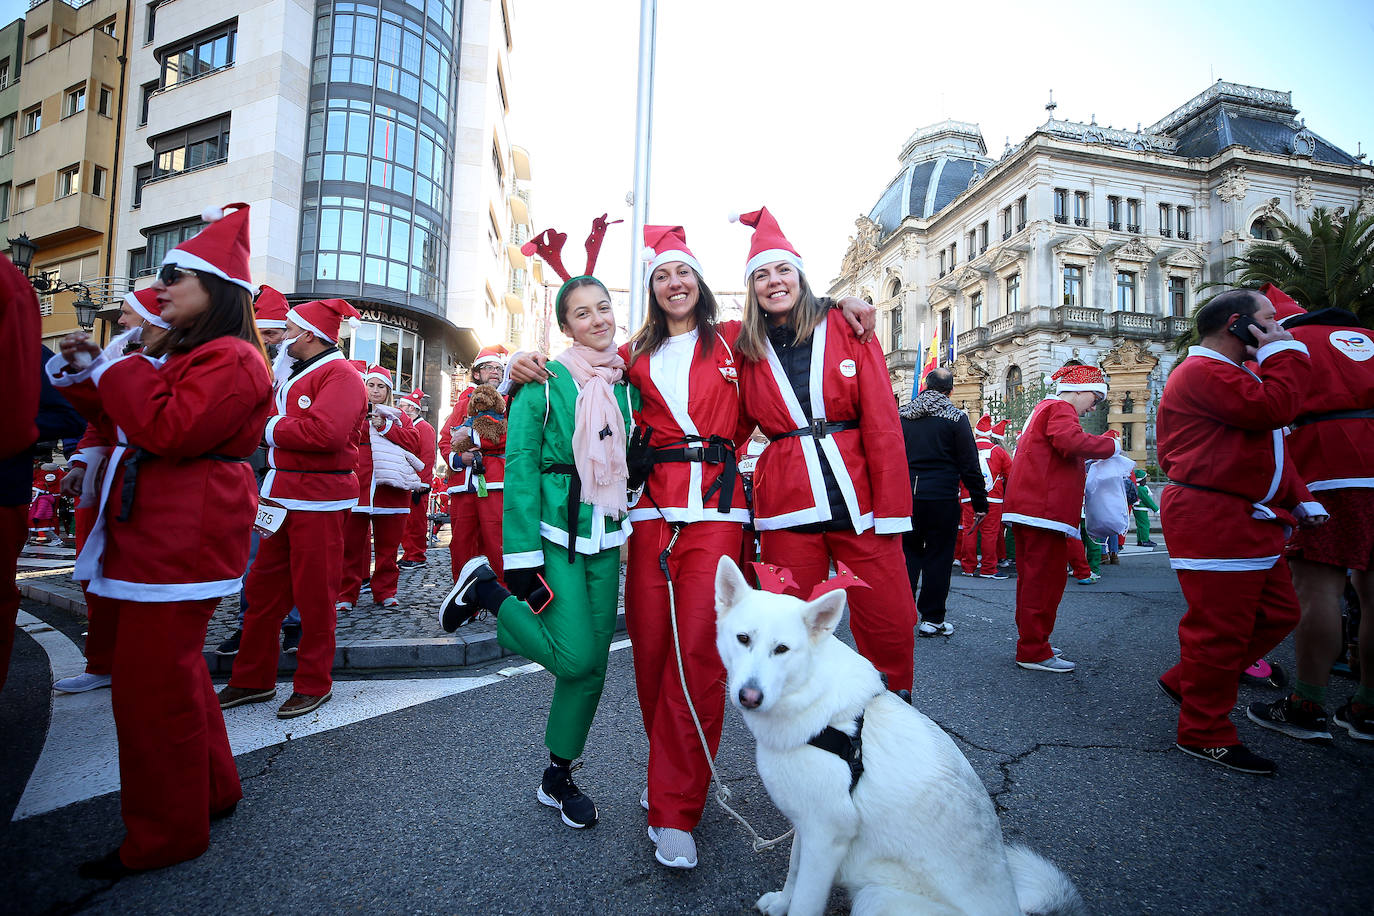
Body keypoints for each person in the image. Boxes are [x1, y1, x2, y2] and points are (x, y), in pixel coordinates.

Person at [49, 201, 272, 877]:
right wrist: (96, 369)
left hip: (181, 538)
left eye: (176, 273)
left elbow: (165, 429)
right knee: (174, 682)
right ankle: (209, 792)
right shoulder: (198, 352)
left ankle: (166, 834)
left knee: (151, 692)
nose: (160, 284)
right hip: (166, 534)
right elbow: (131, 416)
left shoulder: (230, 357)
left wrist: (117, 366)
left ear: (217, 290)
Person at [440, 218, 632, 831]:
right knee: (576, 659)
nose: (597, 320)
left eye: (604, 308)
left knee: (594, 665)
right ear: (564, 325)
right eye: (582, 313)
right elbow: (520, 464)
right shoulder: (540, 380)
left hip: (607, 534)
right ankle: (488, 593)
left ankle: (559, 774)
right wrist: (517, 557)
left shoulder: (627, 381)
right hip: (555, 537)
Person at [730, 206, 917, 695]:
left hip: (862, 501)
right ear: (751, 287)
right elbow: (720, 416)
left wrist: (893, 506)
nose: (774, 282)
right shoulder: (741, 346)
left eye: (783, 270)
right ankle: (806, 725)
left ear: (799, 275)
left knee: (890, 620)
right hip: (787, 504)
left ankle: (893, 714)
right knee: (788, 628)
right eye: (762, 275)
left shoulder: (845, 325)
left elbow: (882, 420)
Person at [1156, 288, 1326, 775]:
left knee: (1278, 612)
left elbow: (1267, 448)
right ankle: (1203, 732)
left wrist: (1300, 498)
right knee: (1220, 632)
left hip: (1245, 515)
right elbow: (1274, 410)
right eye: (1269, 321)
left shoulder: (1228, 372)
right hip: (1214, 515)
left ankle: (1188, 682)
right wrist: (1285, 353)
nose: (1280, 330)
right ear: (1238, 325)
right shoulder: (1203, 370)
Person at [219, 297, 367, 720]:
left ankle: (314, 684)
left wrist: (265, 429)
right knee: (263, 593)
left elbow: (326, 434)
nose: (282, 336)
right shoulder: (305, 371)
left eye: (289, 329)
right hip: (283, 495)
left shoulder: (341, 376)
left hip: (319, 501)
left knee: (315, 596)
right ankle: (252, 678)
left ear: (309, 335)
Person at [1244, 284, 1374, 743]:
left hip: (1329, 465)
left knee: (1318, 588)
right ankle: (1367, 707)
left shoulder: (1289, 341)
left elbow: (1264, 406)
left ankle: (1307, 703)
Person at [54, 288, 174, 693]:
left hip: (145, 485)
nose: (121, 322)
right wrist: (82, 462)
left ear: (152, 319)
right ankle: (101, 662)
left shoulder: (175, 363)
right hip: (105, 482)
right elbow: (100, 422)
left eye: (127, 314)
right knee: (95, 575)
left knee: (141, 580)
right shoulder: (124, 360)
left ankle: (140, 665)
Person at [1001, 364, 1120, 673]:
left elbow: (1063, 446)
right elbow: (1070, 444)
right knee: (1045, 583)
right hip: (1045, 510)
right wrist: (1111, 445)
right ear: (1078, 391)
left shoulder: (1045, 409)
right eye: (1094, 398)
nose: (1093, 406)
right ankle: (1033, 650)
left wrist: (1097, 443)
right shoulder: (1061, 408)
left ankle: (1033, 641)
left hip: (1031, 508)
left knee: (1033, 582)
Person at [217, 285, 301, 657]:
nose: (275, 342)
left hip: (289, 474)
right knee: (251, 557)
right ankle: (248, 625)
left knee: (293, 553)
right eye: (267, 334)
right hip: (248, 473)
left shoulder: (300, 369)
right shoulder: (233, 361)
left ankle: (296, 623)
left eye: (279, 334)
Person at [900, 369, 988, 637]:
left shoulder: (902, 415)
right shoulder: (956, 418)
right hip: (941, 495)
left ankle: (900, 615)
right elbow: (969, 464)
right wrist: (979, 501)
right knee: (939, 557)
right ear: (950, 391)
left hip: (907, 495)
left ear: (925, 386)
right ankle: (932, 618)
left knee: (907, 556)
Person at [337, 365, 423, 609]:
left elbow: (414, 442)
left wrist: (385, 427)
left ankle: (385, 591)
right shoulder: (351, 411)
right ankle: (346, 594)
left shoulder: (399, 415)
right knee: (350, 547)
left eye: (381, 386)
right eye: (371, 385)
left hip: (391, 492)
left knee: (388, 548)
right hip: (357, 489)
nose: (375, 390)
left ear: (388, 391)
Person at [439, 345, 509, 586]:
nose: (495, 372)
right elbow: (446, 439)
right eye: (489, 367)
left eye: (499, 368)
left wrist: (471, 435)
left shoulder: (509, 401)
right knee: (461, 543)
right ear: (477, 373)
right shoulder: (463, 403)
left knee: (497, 541)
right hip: (463, 486)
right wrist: (459, 459)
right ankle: (466, 597)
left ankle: (505, 598)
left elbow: (508, 437)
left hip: (494, 483)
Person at [956, 414, 1010, 579]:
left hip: (968, 497)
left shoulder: (964, 450)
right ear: (989, 435)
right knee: (989, 533)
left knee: (969, 531)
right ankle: (988, 569)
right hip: (993, 498)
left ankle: (968, 567)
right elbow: (1010, 474)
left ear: (976, 434)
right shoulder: (999, 451)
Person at [397, 388, 437, 569]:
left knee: (417, 522)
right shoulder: (410, 427)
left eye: (403, 406)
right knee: (407, 521)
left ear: (412, 409)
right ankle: (409, 553)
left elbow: (428, 458)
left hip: (417, 483)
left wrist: (423, 482)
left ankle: (416, 555)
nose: (400, 409)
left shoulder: (424, 428)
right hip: (407, 481)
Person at [1133, 469, 1158, 548]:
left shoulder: (1138, 487)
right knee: (1145, 525)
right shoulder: (1141, 489)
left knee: (1140, 525)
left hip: (1137, 508)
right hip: (1141, 509)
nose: (1145, 480)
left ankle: (1141, 540)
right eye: (1144, 478)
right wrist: (1156, 509)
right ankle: (1145, 540)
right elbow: (1148, 501)